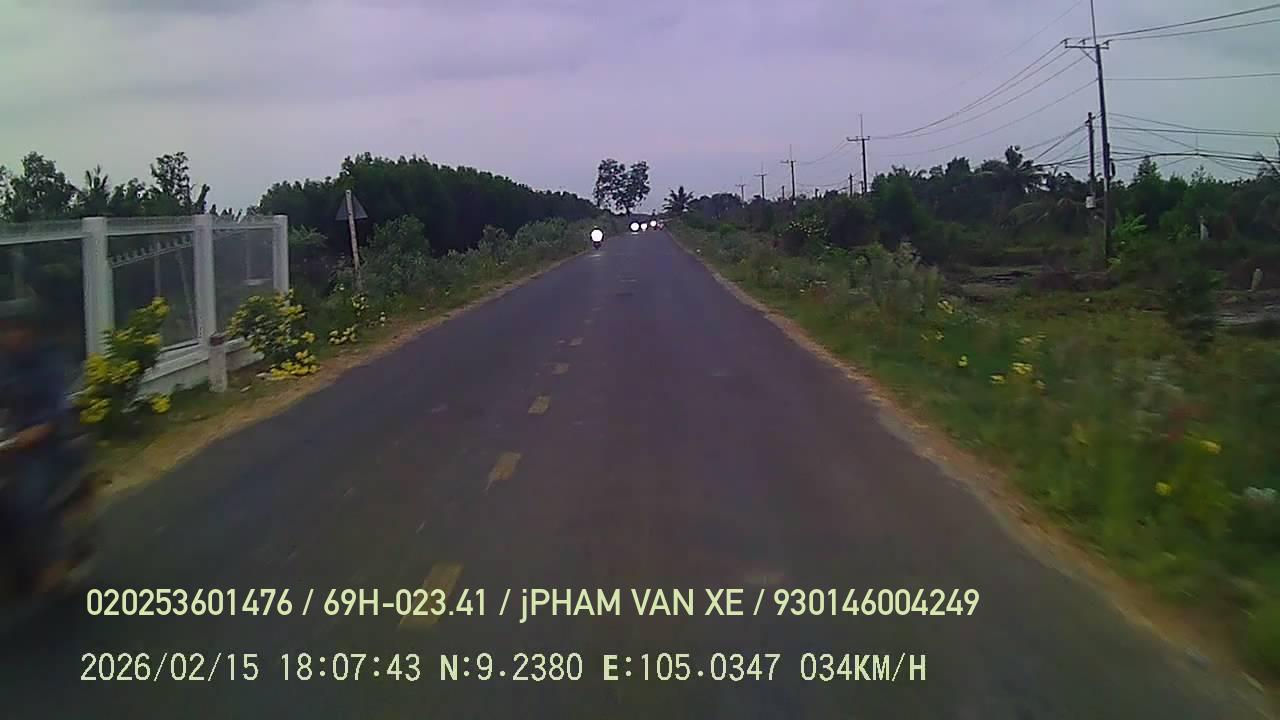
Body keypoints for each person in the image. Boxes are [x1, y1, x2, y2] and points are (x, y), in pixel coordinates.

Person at [0, 298, 72, 594]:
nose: (8, 335)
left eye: (14, 328)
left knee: (30, 499)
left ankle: (54, 560)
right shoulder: (5, 364)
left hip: (46, 446)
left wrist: (37, 431)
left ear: (30, 331)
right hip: (11, 445)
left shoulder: (49, 361)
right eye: (4, 329)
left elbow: (58, 408)